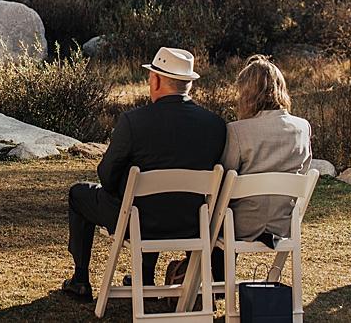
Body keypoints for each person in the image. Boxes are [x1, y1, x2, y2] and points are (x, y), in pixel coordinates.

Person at [61, 47, 227, 299]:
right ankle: (144, 276)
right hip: (192, 222)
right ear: (188, 84)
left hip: (138, 222)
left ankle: (81, 279)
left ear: (156, 79)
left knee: (79, 195)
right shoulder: (215, 125)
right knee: (158, 202)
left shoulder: (133, 122)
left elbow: (106, 177)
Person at [169, 55, 312, 286]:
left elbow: (223, 181)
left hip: (241, 225)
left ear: (247, 93)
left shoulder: (237, 131)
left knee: (208, 214)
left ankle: (211, 281)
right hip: (282, 223)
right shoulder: (302, 128)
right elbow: (303, 171)